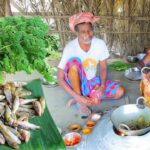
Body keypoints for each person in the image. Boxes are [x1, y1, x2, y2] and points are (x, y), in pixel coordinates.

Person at [57, 12, 125, 115]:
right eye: (83, 32)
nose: (87, 35)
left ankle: (90, 98)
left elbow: (103, 68)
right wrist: (77, 96)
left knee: (120, 92)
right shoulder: (70, 48)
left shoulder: (100, 44)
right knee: (74, 63)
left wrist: (101, 87)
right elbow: (60, 78)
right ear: (77, 33)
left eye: (89, 30)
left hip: (92, 82)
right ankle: (80, 100)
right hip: (77, 85)